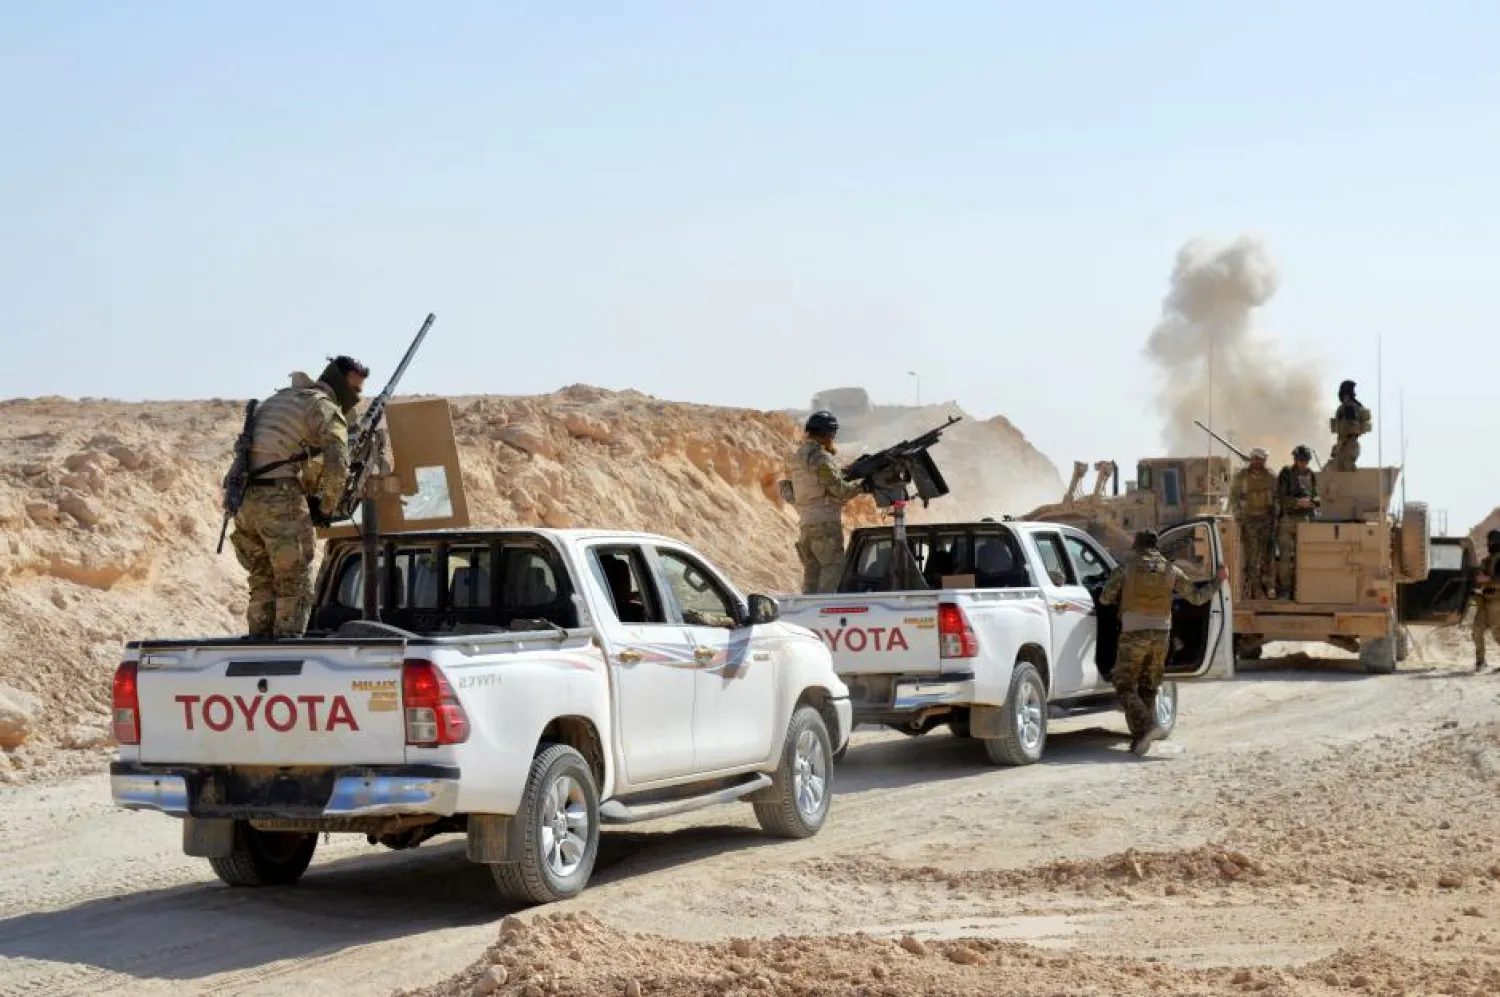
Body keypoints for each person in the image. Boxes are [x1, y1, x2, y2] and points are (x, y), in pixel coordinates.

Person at [230, 356, 367, 637]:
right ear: (340, 383)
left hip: (245, 500)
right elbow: (338, 462)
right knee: (295, 581)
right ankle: (287, 649)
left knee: (262, 580)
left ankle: (258, 645)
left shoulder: (280, 400)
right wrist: (326, 507)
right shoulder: (322, 406)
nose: (357, 397)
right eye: (355, 389)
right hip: (280, 498)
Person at [1098, 530, 1227, 756]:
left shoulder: (1126, 568)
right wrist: (1218, 581)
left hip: (1134, 633)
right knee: (1148, 685)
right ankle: (1141, 739)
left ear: (1137, 547)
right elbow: (1197, 598)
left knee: (1125, 684)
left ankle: (1147, 727)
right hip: (1161, 634)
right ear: (1156, 547)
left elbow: (1105, 598)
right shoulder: (1171, 570)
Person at [782, 410, 865, 594]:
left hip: (806, 526)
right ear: (829, 434)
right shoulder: (820, 457)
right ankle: (826, 612)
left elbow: (812, 483)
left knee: (812, 575)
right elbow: (840, 491)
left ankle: (810, 616)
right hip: (825, 525)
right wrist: (863, 486)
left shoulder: (797, 458)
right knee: (833, 568)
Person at [1229, 447, 1277, 599]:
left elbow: (1277, 497)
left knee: (1267, 555)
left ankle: (1269, 586)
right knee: (1252, 556)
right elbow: (1233, 497)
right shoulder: (1241, 477)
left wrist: (1276, 515)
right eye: (1258, 459)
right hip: (1249, 521)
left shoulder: (1271, 476)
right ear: (1253, 459)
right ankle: (1254, 588)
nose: (1261, 462)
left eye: (1263, 459)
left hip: (1267, 520)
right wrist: (1238, 515)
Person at [1274, 444, 1319, 600]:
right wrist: (1298, 502)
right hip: (1288, 520)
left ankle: (1303, 590)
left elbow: (1317, 495)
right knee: (1285, 557)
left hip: (1305, 521)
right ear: (1295, 459)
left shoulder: (1311, 475)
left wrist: (1313, 502)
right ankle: (1285, 590)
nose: (1303, 463)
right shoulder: (1286, 473)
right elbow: (1281, 498)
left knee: (1304, 557)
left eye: (1305, 461)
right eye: (1300, 460)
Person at [1328, 379, 1372, 471]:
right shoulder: (1342, 408)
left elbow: (1356, 426)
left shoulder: (1353, 408)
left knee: (1347, 464)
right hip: (1341, 443)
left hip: (1350, 442)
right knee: (1334, 466)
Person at [1474, 530, 1500, 672]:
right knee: (1477, 631)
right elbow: (1479, 577)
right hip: (1486, 602)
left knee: (1498, 635)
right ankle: (1480, 662)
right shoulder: (1487, 560)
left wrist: (1488, 580)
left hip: (1497, 603)